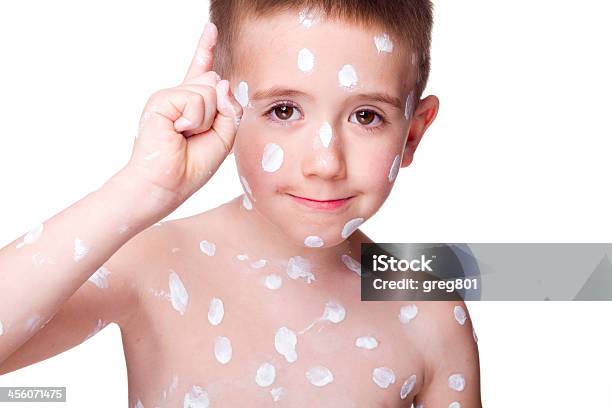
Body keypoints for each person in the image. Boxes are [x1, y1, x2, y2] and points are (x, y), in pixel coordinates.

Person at [0, 0, 481, 406]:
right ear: (224, 105)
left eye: (366, 115)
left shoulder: (428, 304)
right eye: (284, 110)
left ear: (413, 133)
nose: (325, 161)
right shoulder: (152, 262)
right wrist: (141, 189)